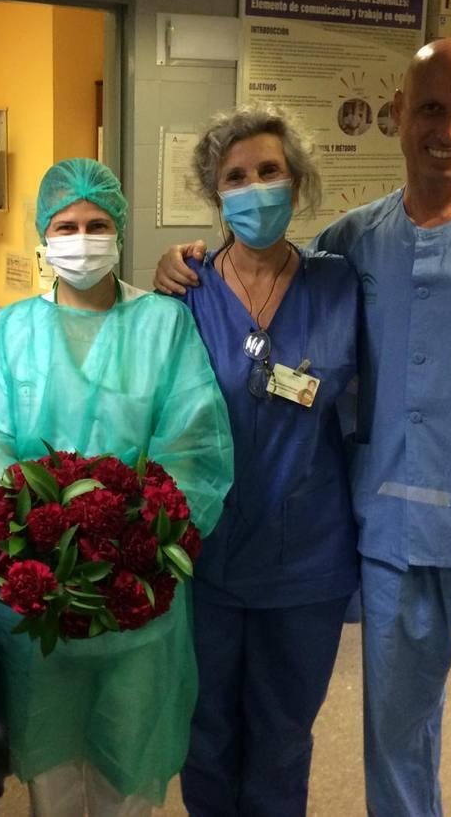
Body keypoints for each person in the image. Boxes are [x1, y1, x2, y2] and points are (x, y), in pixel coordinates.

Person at [156, 38, 451, 816]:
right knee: (395, 745)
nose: (450, 128)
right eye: (431, 108)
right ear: (399, 114)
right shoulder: (353, 246)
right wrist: (180, 260)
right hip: (392, 541)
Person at [0, 158, 234, 816]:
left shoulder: (164, 325)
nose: (81, 238)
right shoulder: (12, 330)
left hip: (140, 591)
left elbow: (194, 450)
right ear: (44, 239)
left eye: (96, 223)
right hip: (40, 593)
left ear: (119, 230)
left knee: (128, 757)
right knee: (53, 766)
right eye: (66, 225)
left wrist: (136, 546)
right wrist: (36, 544)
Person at [164, 104, 358, 817]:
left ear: (295, 179)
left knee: (282, 736)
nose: (255, 188)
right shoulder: (182, 294)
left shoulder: (339, 285)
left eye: (268, 171)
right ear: (216, 197)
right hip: (205, 559)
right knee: (206, 730)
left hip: (307, 558)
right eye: (235, 177)